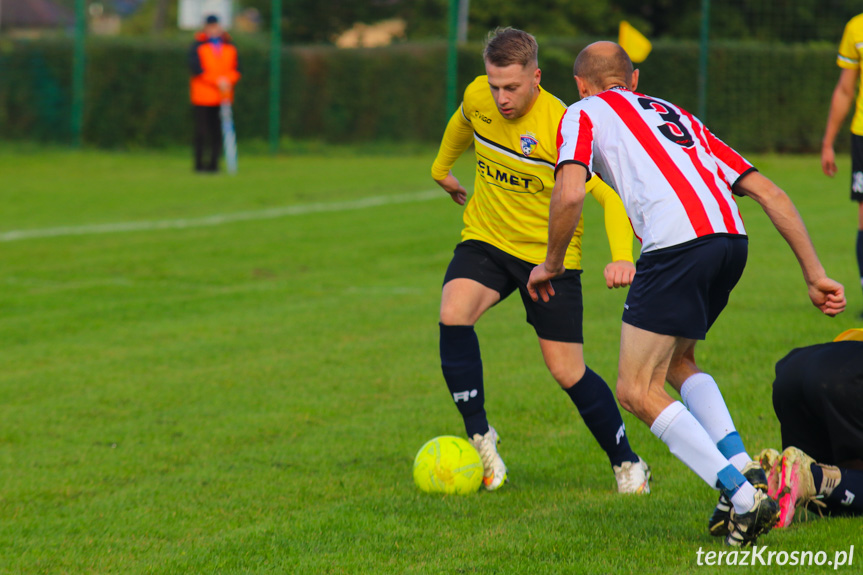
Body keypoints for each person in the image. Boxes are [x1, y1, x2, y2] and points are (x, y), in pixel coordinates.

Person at [526, 41, 846, 546]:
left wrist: (550, 263)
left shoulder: (582, 113)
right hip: (730, 242)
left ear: (580, 85)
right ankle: (743, 466)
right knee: (677, 364)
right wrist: (815, 273)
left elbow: (568, 192)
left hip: (677, 248)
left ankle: (743, 496)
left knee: (634, 390)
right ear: (632, 79)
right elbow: (770, 193)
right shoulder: (677, 114)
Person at [431, 28, 650, 495]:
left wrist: (620, 257)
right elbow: (462, 123)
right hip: (487, 239)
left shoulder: (563, 124)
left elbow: (610, 199)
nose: (501, 97)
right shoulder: (478, 95)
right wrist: (441, 170)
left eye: (511, 87)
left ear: (537, 77)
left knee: (566, 371)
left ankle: (627, 462)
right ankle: (480, 436)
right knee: (453, 313)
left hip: (548, 259)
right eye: (495, 85)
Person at [757, 327, 863, 527]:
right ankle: (811, 477)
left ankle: (774, 480)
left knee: (829, 499)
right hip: (844, 379)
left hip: (794, 371)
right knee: (817, 480)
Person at [188, 14, 240, 173]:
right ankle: (199, 164)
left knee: (218, 132)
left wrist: (227, 80)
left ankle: (214, 164)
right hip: (203, 96)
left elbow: (237, 69)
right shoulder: (198, 46)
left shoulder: (230, 47)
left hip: (223, 96)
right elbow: (197, 69)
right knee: (202, 131)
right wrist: (217, 81)